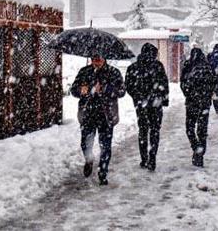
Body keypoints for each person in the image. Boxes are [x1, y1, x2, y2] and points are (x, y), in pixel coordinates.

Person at [70, 55, 126, 185]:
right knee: (85, 143)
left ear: (104, 59)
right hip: (88, 114)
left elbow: (122, 91)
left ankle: (103, 171)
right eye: (94, 59)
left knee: (105, 145)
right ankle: (89, 160)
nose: (96, 61)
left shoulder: (113, 72)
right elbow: (73, 90)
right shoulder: (84, 72)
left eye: (99, 59)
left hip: (106, 115)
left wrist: (105, 89)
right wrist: (81, 90)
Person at [125, 43, 169, 172]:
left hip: (141, 105)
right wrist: (164, 100)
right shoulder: (158, 66)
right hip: (156, 104)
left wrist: (137, 98)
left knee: (143, 131)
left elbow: (128, 85)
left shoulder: (133, 67)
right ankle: (152, 157)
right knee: (155, 131)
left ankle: (144, 158)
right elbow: (164, 84)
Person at [181, 47, 217, 167]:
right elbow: (214, 83)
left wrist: (188, 94)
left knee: (189, 128)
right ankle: (199, 155)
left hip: (192, 102)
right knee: (202, 130)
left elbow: (183, 83)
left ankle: (196, 147)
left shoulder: (188, 65)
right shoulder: (208, 67)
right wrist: (207, 95)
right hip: (205, 103)